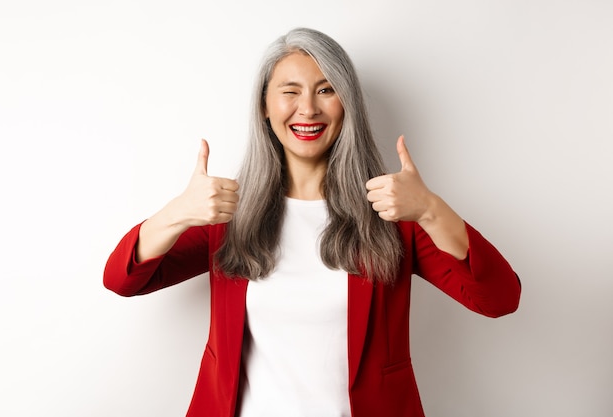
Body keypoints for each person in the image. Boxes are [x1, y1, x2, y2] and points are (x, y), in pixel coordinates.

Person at [103, 27, 521, 417]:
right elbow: (123, 280)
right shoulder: (229, 216)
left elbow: (499, 299)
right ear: (265, 106)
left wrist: (431, 208)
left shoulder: (392, 216)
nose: (308, 108)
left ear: (348, 105)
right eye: (290, 91)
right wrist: (178, 212)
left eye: (326, 90)